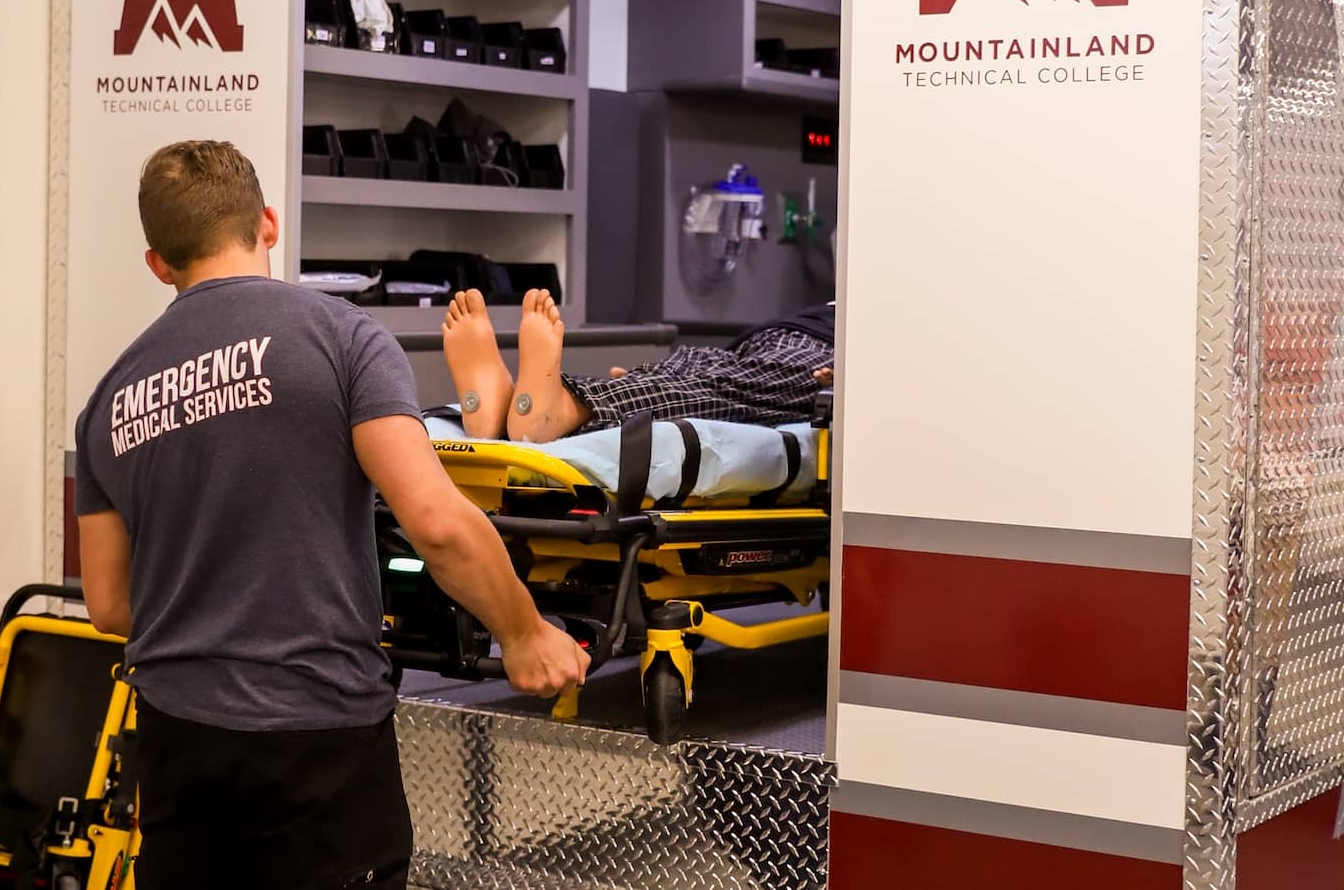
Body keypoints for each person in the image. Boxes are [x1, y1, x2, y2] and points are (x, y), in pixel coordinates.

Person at [74, 141, 588, 890]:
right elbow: (438, 524)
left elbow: (110, 604)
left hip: (179, 748)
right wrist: (524, 631)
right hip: (318, 743)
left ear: (159, 262)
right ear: (269, 223)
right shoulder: (342, 337)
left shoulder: (110, 398)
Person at [441, 287, 835, 443]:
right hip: (819, 348)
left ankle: (504, 406)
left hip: (782, 340)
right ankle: (562, 408)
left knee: (702, 377)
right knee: (745, 390)